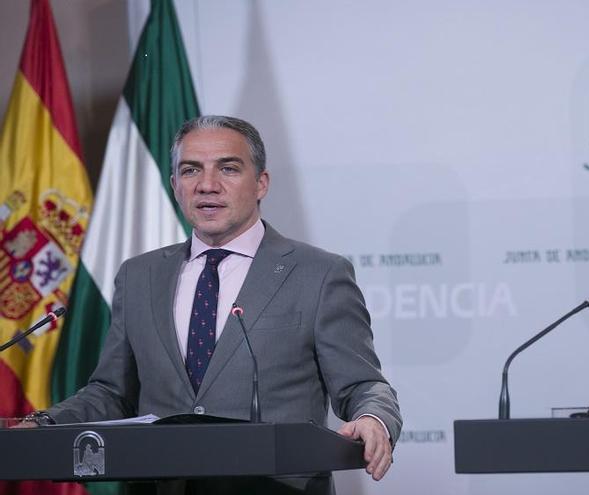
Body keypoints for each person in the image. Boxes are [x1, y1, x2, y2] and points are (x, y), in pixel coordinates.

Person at [35, 115, 402, 494]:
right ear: (176, 185)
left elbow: (363, 384)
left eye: (228, 168)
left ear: (261, 183)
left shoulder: (319, 274)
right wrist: (42, 424)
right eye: (191, 170)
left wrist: (374, 418)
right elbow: (112, 393)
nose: (207, 185)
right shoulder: (139, 276)